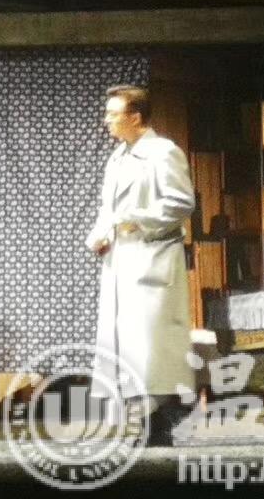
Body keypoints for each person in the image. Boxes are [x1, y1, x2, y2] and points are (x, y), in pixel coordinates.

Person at [84, 84, 195, 447]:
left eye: (113, 114)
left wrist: (137, 220)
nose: (107, 120)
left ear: (135, 117)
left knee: (150, 348)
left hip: (151, 259)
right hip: (122, 260)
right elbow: (108, 209)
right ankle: (141, 422)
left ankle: (155, 420)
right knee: (125, 346)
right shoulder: (118, 157)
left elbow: (180, 203)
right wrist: (100, 235)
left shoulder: (162, 152)